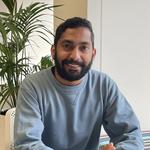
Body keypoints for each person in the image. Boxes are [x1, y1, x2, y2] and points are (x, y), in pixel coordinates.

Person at [14, 17, 144, 150]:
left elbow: (131, 135)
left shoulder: (103, 85)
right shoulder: (32, 86)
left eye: (83, 48)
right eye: (67, 46)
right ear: (53, 51)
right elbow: (27, 144)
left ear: (93, 54)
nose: (75, 56)